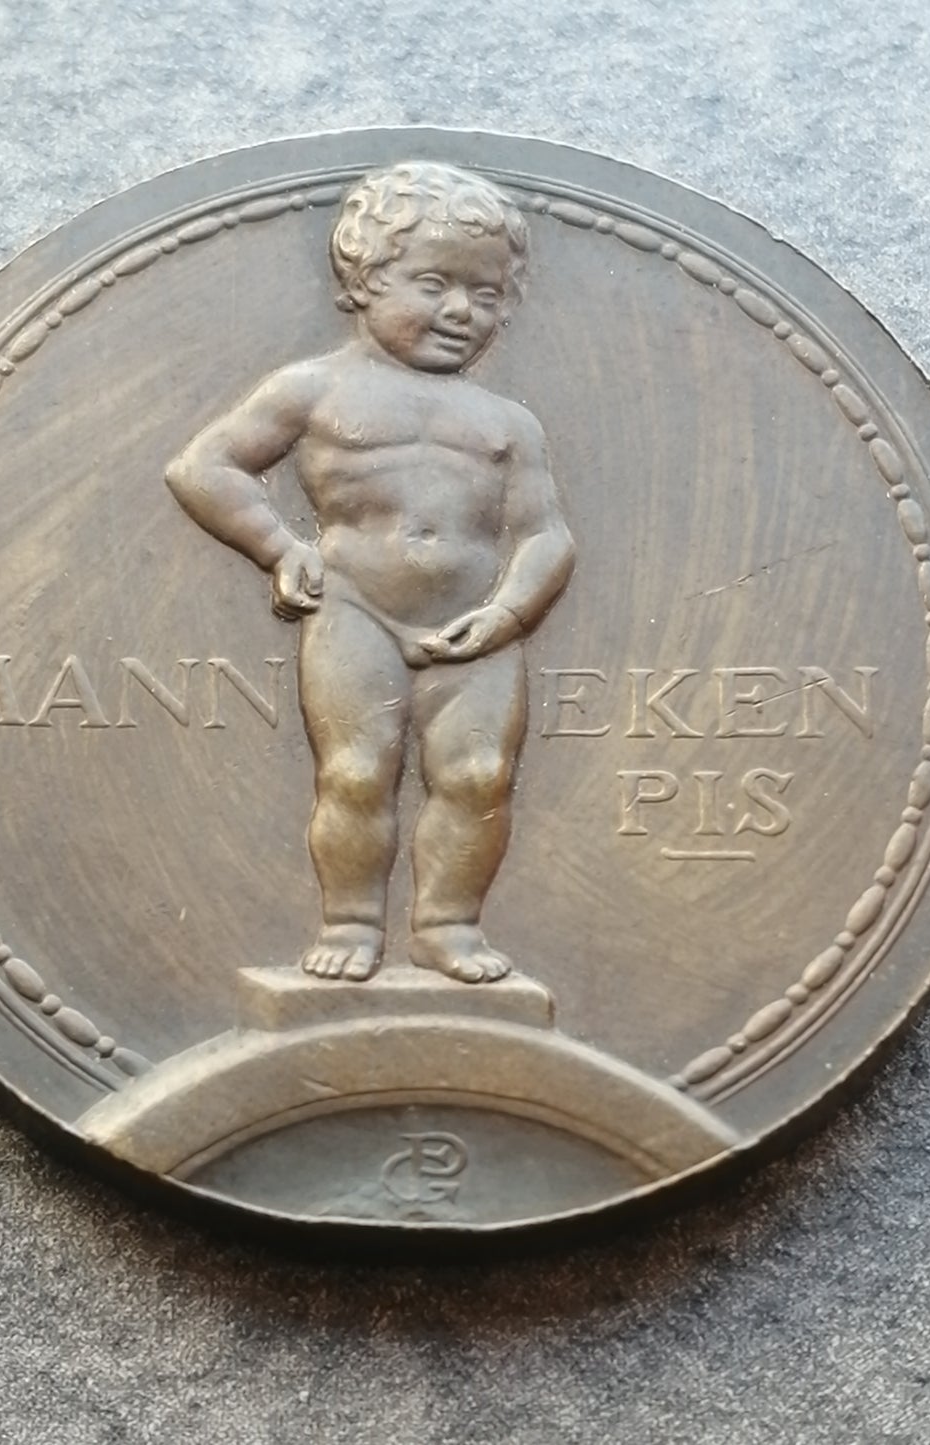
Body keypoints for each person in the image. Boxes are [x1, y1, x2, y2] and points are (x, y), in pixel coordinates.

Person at [167, 161, 574, 984]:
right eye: (432, 283)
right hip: (354, 610)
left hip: (476, 625)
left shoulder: (508, 422)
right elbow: (204, 467)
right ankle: (351, 921)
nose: (460, 311)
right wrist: (281, 547)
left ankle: (447, 926)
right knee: (355, 773)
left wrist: (507, 613)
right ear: (364, 279)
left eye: (486, 294)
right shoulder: (313, 388)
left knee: (478, 777)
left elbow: (545, 535)